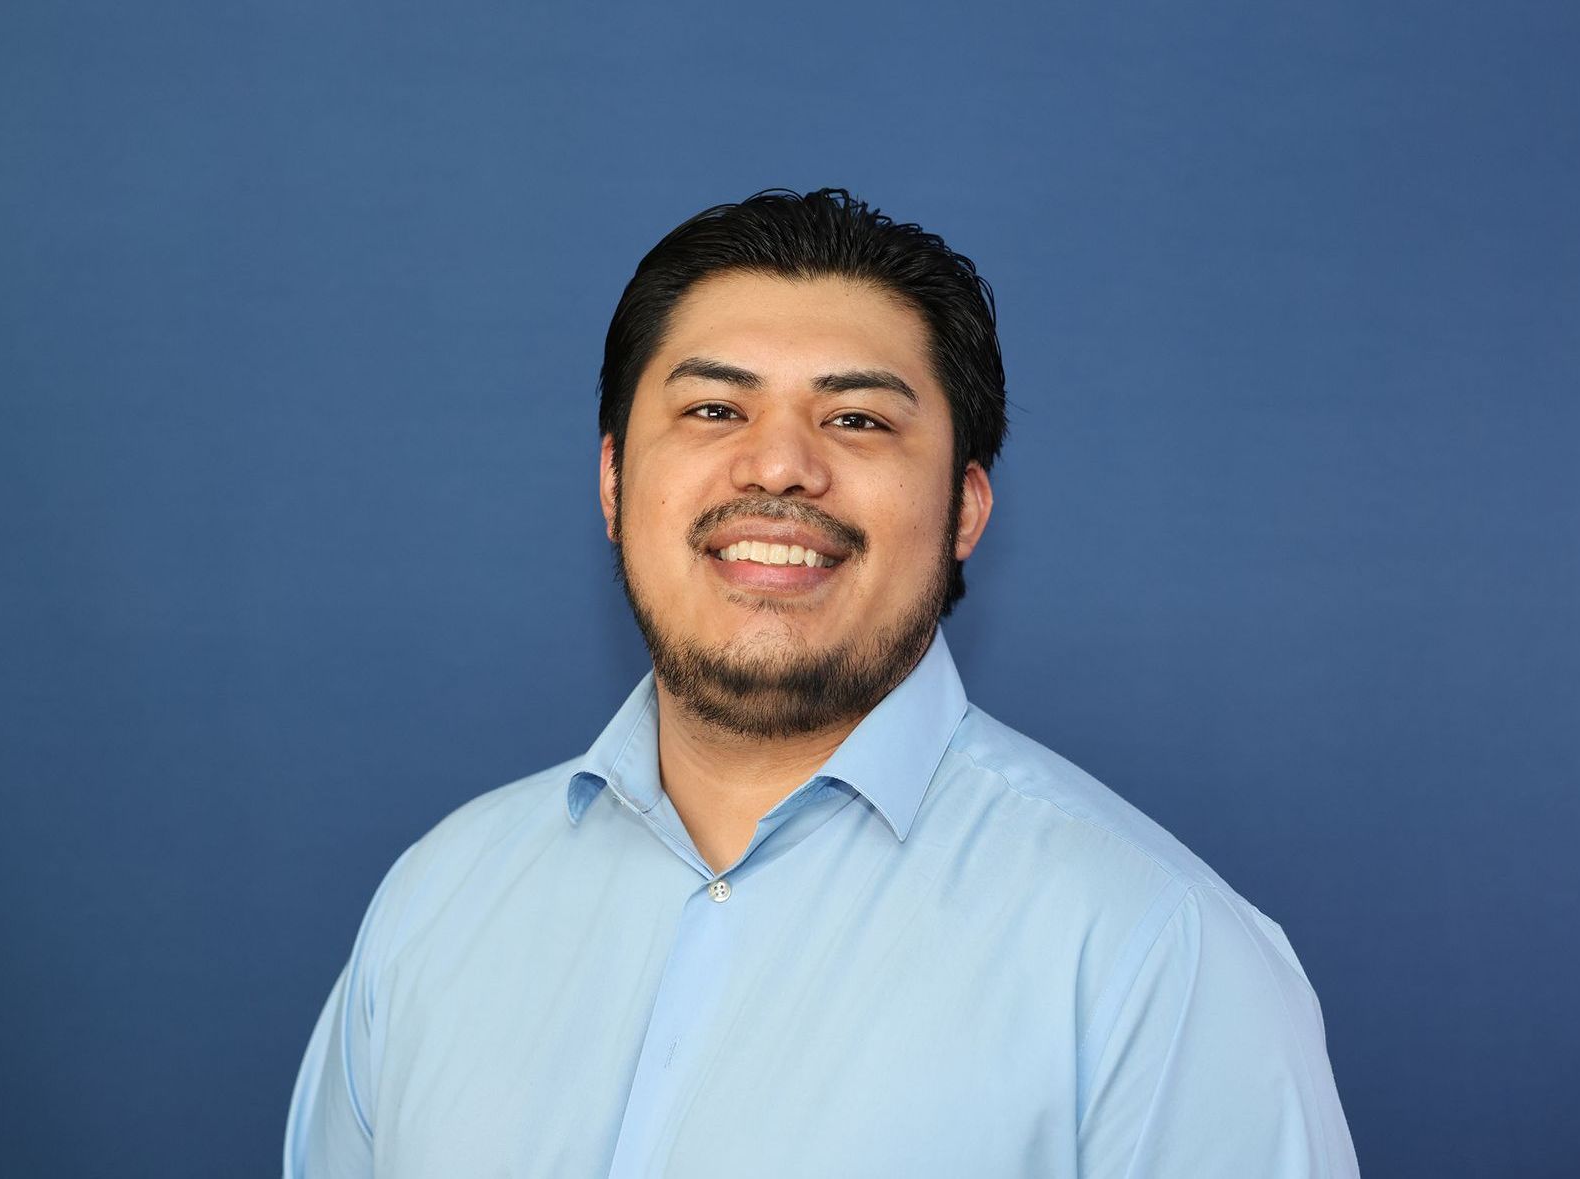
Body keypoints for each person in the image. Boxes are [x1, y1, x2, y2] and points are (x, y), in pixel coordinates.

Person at [284, 188, 1359, 1177]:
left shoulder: (1159, 956)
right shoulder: (436, 904)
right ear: (613, 481)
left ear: (966, 510)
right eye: (715, 409)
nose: (779, 465)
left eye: (858, 419)